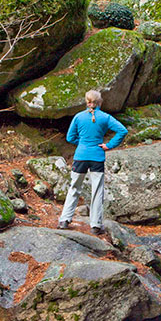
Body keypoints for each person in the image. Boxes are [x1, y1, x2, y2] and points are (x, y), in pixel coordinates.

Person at [58, 90, 127, 234]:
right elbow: (122, 131)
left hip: (81, 156)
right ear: (100, 102)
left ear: (86, 101)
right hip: (97, 157)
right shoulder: (105, 117)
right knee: (97, 191)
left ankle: (64, 220)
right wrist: (108, 145)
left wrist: (82, 144)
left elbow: (70, 138)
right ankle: (95, 225)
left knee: (74, 188)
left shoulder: (78, 117)